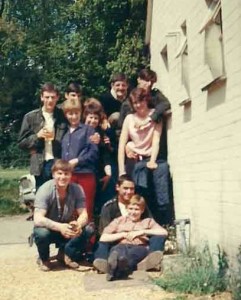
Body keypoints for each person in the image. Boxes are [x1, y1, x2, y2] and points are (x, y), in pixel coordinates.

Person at [93, 175, 166, 274]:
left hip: (139, 243)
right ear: (117, 187)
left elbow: (153, 226)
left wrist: (141, 232)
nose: (129, 192)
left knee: (157, 237)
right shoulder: (109, 207)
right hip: (116, 242)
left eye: (131, 189)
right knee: (109, 247)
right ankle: (105, 263)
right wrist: (123, 235)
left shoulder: (141, 205)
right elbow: (104, 234)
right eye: (125, 188)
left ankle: (151, 260)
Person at [118, 87, 170, 225]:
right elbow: (121, 144)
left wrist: (152, 161)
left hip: (152, 157)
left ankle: (164, 221)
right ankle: (141, 221)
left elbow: (156, 139)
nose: (138, 105)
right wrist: (121, 170)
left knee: (161, 183)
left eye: (140, 101)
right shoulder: (129, 118)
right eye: (134, 103)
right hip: (136, 159)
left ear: (146, 100)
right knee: (140, 190)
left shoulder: (155, 115)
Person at [18, 83, 67, 219]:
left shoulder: (63, 116)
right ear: (41, 98)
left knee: (61, 201)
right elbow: (21, 143)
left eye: (53, 97)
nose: (50, 100)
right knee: (42, 202)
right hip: (40, 164)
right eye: (47, 97)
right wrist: (37, 136)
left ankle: (59, 234)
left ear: (57, 98)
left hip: (59, 162)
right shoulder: (31, 117)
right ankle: (40, 234)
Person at [33, 159, 88, 271]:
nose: (63, 177)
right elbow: (38, 219)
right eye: (59, 173)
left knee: (89, 229)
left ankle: (65, 254)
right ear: (53, 174)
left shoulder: (77, 189)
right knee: (41, 233)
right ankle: (44, 259)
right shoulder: (45, 190)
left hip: (66, 226)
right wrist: (60, 227)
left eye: (66, 174)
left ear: (71, 175)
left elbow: (84, 214)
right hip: (49, 227)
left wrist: (78, 224)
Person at [100, 194, 168, 281]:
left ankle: (117, 269)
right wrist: (123, 234)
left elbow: (164, 232)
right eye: (131, 209)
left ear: (142, 210)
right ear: (127, 209)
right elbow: (103, 237)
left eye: (136, 209)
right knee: (117, 251)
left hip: (139, 247)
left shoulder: (147, 221)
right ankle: (117, 264)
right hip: (121, 244)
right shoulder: (119, 221)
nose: (133, 212)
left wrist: (142, 232)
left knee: (132, 255)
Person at [118, 68, 170, 160]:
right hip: (135, 151)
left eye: (151, 82)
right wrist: (127, 146)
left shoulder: (155, 95)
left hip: (153, 149)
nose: (149, 84)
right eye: (146, 80)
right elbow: (120, 129)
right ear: (139, 80)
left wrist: (151, 118)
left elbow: (165, 104)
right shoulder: (129, 102)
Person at [61, 98, 99, 223]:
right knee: (70, 209)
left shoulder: (88, 130)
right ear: (65, 115)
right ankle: (71, 239)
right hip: (68, 175)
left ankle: (89, 240)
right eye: (70, 113)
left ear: (81, 113)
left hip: (85, 174)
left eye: (76, 113)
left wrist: (77, 160)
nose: (73, 116)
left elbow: (93, 153)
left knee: (86, 208)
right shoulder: (64, 133)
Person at [82, 99, 117, 211]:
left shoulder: (102, 134)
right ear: (85, 117)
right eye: (90, 117)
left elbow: (105, 154)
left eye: (95, 118)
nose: (93, 121)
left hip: (99, 169)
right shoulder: (79, 131)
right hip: (84, 169)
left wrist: (108, 172)